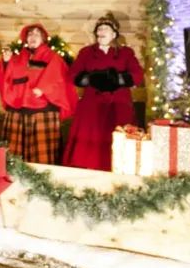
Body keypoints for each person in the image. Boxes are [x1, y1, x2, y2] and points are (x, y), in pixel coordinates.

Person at [62, 14, 144, 171]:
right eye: (99, 29)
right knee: (88, 145)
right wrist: (91, 79)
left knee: (118, 142)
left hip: (118, 105)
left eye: (105, 28)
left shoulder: (126, 53)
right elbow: (72, 75)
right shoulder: (86, 52)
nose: (101, 31)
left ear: (114, 34)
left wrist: (118, 80)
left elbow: (137, 75)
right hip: (92, 105)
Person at [0, 24, 76, 164]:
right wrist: (6, 63)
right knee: (12, 158)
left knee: (42, 160)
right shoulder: (17, 58)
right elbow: (3, 78)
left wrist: (43, 87)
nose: (33, 36)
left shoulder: (52, 57)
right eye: (30, 34)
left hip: (42, 112)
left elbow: (59, 74)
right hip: (17, 112)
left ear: (43, 38)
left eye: (37, 34)